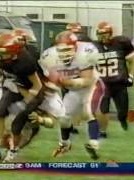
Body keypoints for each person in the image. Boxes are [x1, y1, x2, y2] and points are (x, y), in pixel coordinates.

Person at [39, 31, 103, 160]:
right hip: (72, 90)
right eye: (61, 50)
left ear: (75, 46)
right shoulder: (49, 56)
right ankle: (65, 144)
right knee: (64, 118)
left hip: (91, 86)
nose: (65, 53)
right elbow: (48, 78)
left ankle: (93, 144)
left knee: (88, 112)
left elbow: (87, 80)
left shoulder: (85, 53)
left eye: (68, 49)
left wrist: (68, 82)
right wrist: (53, 83)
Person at [0, 33, 43, 162]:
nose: (0, 56)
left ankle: (14, 149)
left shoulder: (25, 62)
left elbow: (37, 85)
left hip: (30, 89)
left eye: (4, 53)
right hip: (14, 85)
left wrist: (26, 102)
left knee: (16, 125)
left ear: (14, 53)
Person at [93, 21, 134, 138]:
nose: (102, 36)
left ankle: (123, 120)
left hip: (119, 84)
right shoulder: (93, 46)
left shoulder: (121, 43)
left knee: (122, 112)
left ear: (110, 33)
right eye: (100, 33)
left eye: (105, 33)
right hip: (102, 85)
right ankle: (102, 131)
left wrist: (131, 76)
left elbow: (133, 61)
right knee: (103, 109)